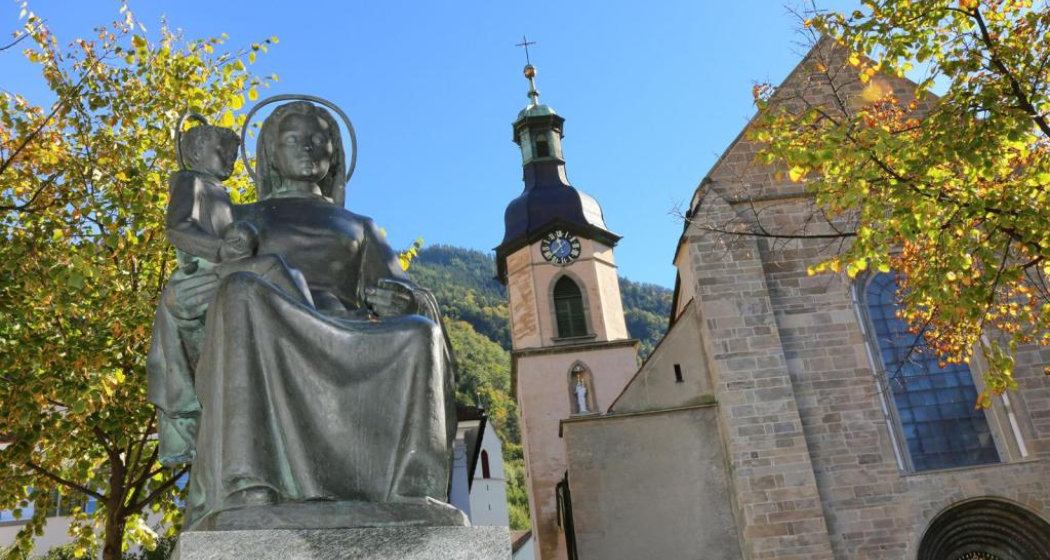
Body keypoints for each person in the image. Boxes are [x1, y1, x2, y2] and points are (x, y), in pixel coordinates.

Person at [151, 100, 461, 531]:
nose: (307, 147)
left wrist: (404, 301)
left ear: (335, 153)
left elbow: (408, 290)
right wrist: (180, 303)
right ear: (270, 153)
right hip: (270, 328)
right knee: (241, 290)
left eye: (318, 140)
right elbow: (197, 274)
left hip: (351, 332)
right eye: (292, 139)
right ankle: (250, 481)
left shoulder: (360, 226)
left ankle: (412, 487)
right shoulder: (236, 218)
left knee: (420, 333)